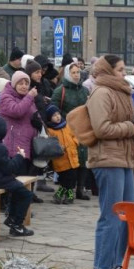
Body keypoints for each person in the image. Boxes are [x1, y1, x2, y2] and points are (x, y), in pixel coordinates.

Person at [87, 54, 134, 269]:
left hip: (124, 157)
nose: (124, 73)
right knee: (111, 215)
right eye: (120, 70)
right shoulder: (101, 92)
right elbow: (101, 129)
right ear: (108, 71)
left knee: (129, 214)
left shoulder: (122, 91)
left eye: (124, 69)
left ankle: (119, 263)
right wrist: (129, 128)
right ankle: (102, 266)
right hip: (107, 159)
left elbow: (124, 123)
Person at [51, 62, 91, 199]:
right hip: (66, 130)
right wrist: (64, 121)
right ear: (68, 73)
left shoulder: (85, 90)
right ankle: (68, 188)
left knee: (83, 158)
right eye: (73, 72)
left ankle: (80, 188)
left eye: (78, 72)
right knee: (69, 160)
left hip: (83, 129)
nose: (76, 75)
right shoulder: (60, 90)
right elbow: (54, 110)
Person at [0, 71, 38, 173]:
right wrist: (29, 97)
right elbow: (17, 111)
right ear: (14, 84)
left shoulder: (27, 98)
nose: (24, 86)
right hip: (14, 146)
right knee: (17, 179)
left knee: (27, 180)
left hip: (28, 144)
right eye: (20, 83)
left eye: (26, 83)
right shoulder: (6, 97)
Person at [44, 104, 80, 205]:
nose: (57, 116)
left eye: (58, 114)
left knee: (72, 176)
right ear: (50, 118)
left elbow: (75, 135)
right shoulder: (50, 130)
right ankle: (68, 194)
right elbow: (50, 143)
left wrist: (75, 142)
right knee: (64, 178)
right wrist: (58, 148)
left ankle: (61, 195)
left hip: (72, 156)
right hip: (61, 158)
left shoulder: (67, 125)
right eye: (54, 115)